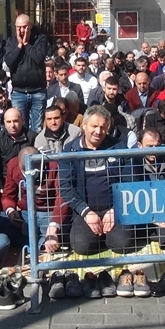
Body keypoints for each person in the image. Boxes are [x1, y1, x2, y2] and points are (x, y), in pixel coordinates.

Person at [57, 106, 135, 255]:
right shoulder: (69, 151)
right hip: (86, 210)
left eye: (103, 127)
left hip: (114, 209)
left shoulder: (119, 147)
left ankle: (108, 236)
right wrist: (86, 212)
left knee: (122, 244)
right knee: (81, 246)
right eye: (94, 126)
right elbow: (66, 186)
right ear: (84, 125)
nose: (98, 132)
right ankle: (97, 235)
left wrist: (116, 209)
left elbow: (130, 181)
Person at [1, 146, 67, 252]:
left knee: (61, 231)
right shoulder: (13, 165)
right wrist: (10, 210)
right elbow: (8, 195)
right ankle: (40, 244)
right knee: (0, 222)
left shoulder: (54, 166)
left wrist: (53, 226)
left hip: (48, 212)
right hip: (25, 212)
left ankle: (37, 243)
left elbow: (62, 197)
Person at [3, 13, 50, 132]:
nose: (21, 30)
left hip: (37, 91)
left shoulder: (40, 38)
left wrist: (26, 44)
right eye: (18, 27)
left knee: (37, 128)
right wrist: (19, 46)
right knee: (20, 128)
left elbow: (39, 58)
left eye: (24, 27)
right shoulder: (11, 41)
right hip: (19, 92)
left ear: (30, 26)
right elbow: (9, 61)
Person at [0, 108, 36, 190]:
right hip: (6, 182)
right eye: (8, 122)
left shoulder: (32, 137)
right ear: (4, 123)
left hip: (28, 181)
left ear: (22, 121)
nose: (12, 125)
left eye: (15, 121)